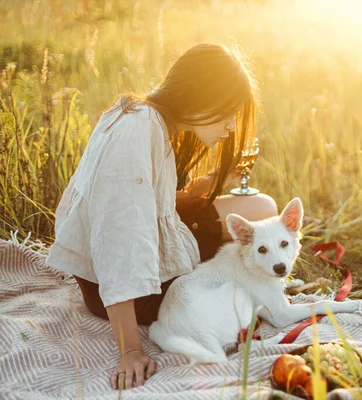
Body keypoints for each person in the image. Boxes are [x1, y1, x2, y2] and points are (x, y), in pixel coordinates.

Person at [46, 43, 278, 390]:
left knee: (263, 209)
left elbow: (142, 201)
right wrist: (130, 349)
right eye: (227, 112)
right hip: (130, 290)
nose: (231, 126)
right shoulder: (138, 132)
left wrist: (198, 189)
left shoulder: (145, 117)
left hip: (151, 242)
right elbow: (118, 236)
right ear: (201, 95)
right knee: (260, 223)